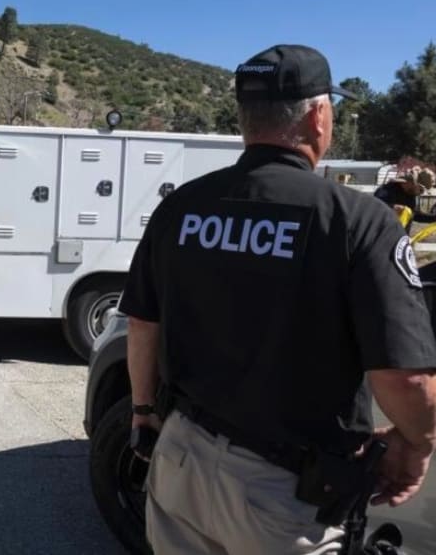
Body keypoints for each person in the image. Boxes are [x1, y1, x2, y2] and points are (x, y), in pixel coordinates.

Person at [120, 44, 436, 554]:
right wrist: (419, 440)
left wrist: (142, 410)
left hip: (181, 459)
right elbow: (407, 380)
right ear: (318, 117)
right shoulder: (356, 221)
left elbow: (141, 325)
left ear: (246, 118)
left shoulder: (180, 207)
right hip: (282, 497)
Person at [374, 164, 436, 232]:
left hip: (401, 236)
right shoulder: (386, 191)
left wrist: (434, 218)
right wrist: (392, 207)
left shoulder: (410, 195)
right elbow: (375, 208)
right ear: (411, 183)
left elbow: (414, 215)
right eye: (420, 190)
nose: (421, 193)